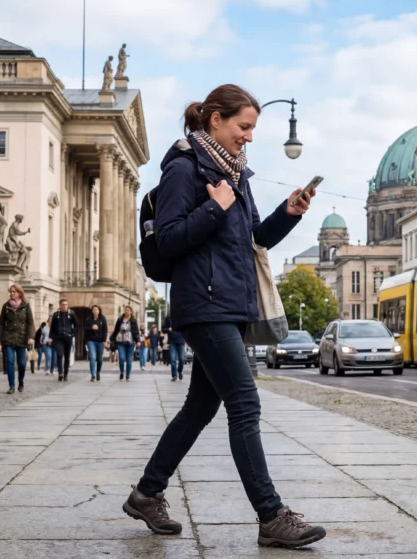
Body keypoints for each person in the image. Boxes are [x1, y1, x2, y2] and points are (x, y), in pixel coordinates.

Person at [123, 84, 324, 548]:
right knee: (245, 404)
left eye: (252, 128)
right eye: (244, 127)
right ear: (215, 119)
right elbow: (169, 240)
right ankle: (272, 516)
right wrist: (214, 208)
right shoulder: (183, 168)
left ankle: (146, 493)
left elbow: (252, 238)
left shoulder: (234, 175)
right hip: (204, 304)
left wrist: (287, 214)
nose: (249, 136)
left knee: (200, 407)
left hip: (232, 303)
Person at [0, 284, 35, 394]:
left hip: (22, 339)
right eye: (11, 292)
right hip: (8, 338)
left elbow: (30, 323)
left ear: (19, 293)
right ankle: (11, 386)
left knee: (22, 363)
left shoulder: (26, 306)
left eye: (14, 292)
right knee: (10, 361)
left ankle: (21, 381)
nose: (12, 293)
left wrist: (31, 337)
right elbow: (1, 324)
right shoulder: (6, 306)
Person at [50, 299, 78, 381]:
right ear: (60, 305)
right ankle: (60, 373)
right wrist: (51, 337)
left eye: (66, 304)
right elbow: (52, 327)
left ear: (67, 305)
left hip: (68, 337)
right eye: (63, 304)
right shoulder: (56, 315)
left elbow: (76, 325)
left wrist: (72, 333)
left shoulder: (72, 314)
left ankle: (66, 373)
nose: (64, 306)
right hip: (58, 338)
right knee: (59, 355)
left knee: (67, 356)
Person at [111, 306, 139, 381]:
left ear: (131, 312)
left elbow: (136, 331)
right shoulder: (120, 319)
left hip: (131, 341)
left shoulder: (133, 320)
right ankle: (122, 372)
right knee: (122, 358)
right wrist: (112, 338)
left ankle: (128, 375)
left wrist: (138, 341)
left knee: (129, 359)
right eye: (125, 310)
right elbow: (116, 330)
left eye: (128, 310)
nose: (126, 311)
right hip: (121, 341)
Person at [85, 305, 108, 382]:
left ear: (99, 311)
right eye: (94, 310)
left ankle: (98, 371)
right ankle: (93, 375)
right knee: (92, 357)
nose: (95, 311)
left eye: (97, 310)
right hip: (91, 341)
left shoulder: (102, 319)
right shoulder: (88, 319)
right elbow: (85, 329)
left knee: (100, 359)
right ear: (92, 311)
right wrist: (91, 327)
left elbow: (105, 330)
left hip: (100, 341)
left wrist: (104, 341)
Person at [164, 314, 185, 382]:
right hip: (172, 341)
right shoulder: (168, 317)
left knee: (181, 359)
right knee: (173, 359)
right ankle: (174, 375)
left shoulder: (182, 316)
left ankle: (179, 371)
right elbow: (163, 329)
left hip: (181, 341)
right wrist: (168, 329)